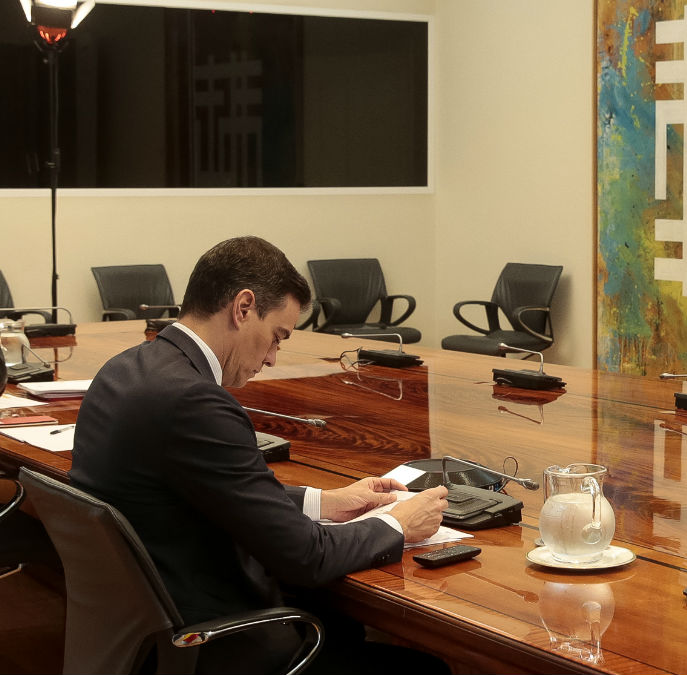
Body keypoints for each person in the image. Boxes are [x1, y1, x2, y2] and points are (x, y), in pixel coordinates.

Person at [69, 236, 451, 674]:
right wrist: (397, 523)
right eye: (277, 336)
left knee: (343, 629)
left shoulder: (125, 369)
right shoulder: (195, 402)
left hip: (150, 631)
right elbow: (307, 558)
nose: (271, 358)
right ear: (243, 307)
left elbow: (201, 490)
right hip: (216, 644)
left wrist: (324, 502)